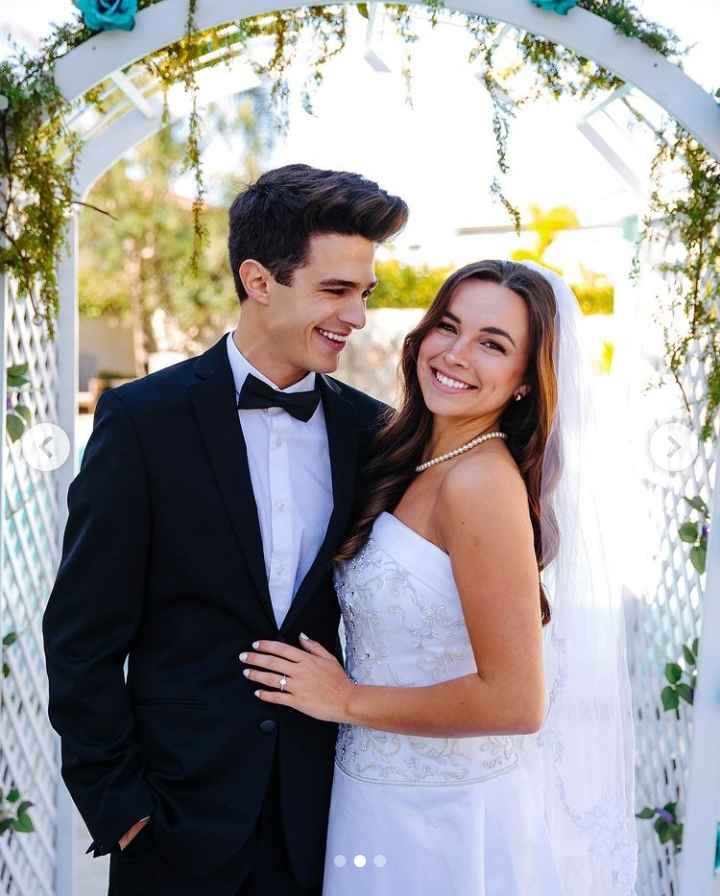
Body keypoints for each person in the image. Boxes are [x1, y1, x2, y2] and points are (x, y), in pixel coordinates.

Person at [42, 163, 408, 896]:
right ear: (259, 279)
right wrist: (122, 810)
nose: (357, 317)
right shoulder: (142, 422)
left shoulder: (371, 433)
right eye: (335, 291)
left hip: (326, 816)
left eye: (363, 294)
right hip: (173, 821)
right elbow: (81, 635)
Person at [244, 259, 638, 895]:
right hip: (374, 796)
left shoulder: (481, 483)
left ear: (523, 382)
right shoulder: (408, 454)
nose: (456, 355)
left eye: (492, 344)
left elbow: (516, 702)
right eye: (448, 327)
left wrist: (344, 700)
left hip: (446, 821)